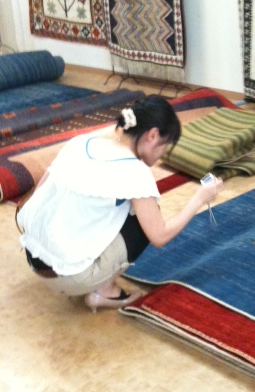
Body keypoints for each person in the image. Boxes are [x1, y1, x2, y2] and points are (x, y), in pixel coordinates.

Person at [17, 94, 223, 312]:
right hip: (70, 277)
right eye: (165, 146)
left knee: (115, 205)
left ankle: (83, 267)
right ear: (153, 135)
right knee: (143, 219)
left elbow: (39, 195)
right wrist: (199, 198)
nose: (163, 155)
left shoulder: (81, 141)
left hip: (34, 257)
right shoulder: (135, 172)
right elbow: (159, 236)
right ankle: (104, 291)